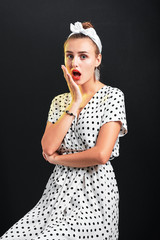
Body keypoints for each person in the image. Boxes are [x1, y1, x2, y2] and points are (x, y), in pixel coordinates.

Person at [1, 21, 128, 240]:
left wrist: (58, 160)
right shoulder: (60, 101)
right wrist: (75, 102)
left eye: (83, 56)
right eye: (69, 56)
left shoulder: (113, 96)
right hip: (58, 191)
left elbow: (101, 154)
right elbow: (48, 147)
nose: (74, 62)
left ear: (97, 60)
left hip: (95, 194)